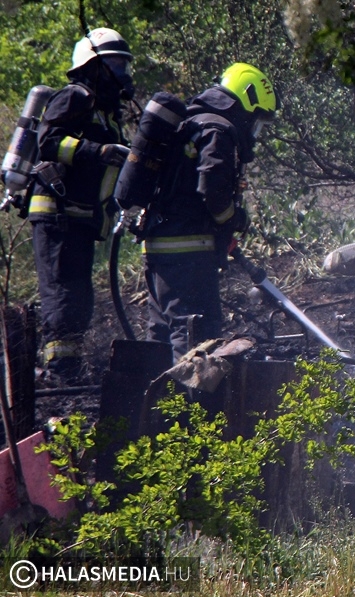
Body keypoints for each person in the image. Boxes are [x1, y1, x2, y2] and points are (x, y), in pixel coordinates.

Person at [140, 62, 277, 360]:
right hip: (186, 251)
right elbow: (212, 191)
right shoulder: (219, 129)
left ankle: (152, 403)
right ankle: (191, 406)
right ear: (246, 103)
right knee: (196, 334)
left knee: (164, 334)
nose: (255, 132)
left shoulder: (193, 123)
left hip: (161, 245)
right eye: (257, 122)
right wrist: (234, 219)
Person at [29, 27, 134, 383]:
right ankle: (59, 374)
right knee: (62, 297)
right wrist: (98, 151)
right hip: (57, 213)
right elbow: (49, 141)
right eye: (115, 65)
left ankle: (69, 369)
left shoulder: (104, 114)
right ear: (93, 66)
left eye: (125, 66)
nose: (123, 75)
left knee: (79, 298)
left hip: (79, 218)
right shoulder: (75, 96)